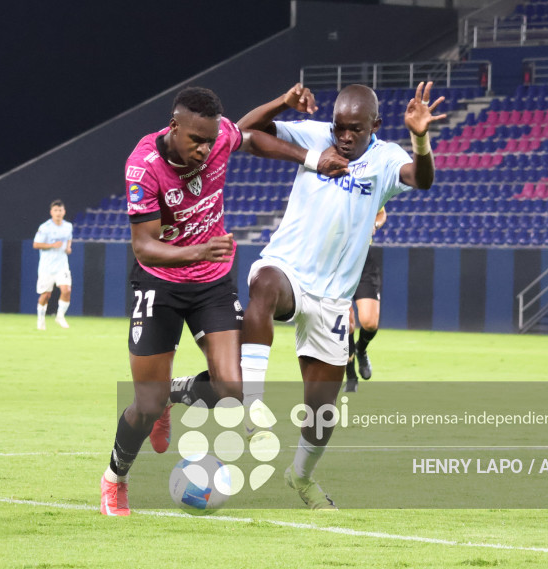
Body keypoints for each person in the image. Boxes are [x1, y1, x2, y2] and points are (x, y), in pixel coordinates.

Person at [100, 86, 348, 516]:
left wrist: (289, 121)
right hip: (159, 284)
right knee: (145, 404)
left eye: (211, 140)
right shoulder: (144, 166)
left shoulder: (216, 141)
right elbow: (143, 246)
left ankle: (177, 394)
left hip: (212, 284)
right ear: (174, 127)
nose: (205, 150)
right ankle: (115, 478)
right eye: (196, 140)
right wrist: (197, 249)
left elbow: (246, 131)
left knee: (235, 388)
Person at [237, 81, 445, 509]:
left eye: (355, 129)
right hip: (289, 270)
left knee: (321, 414)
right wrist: (283, 104)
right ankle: (251, 403)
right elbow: (242, 134)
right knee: (263, 284)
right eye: (339, 128)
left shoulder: (387, 158)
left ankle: (300, 477)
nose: (344, 137)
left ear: (376, 126)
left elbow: (421, 180)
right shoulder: (317, 135)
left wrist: (420, 138)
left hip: (333, 300)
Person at [345, 207, 386, 393]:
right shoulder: (328, 189)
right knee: (345, 325)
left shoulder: (365, 186)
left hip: (363, 265)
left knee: (369, 323)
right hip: (336, 266)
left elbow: (381, 213)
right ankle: (351, 378)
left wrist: (375, 224)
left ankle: (361, 350)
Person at [33, 199, 73, 330]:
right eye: (55, 210)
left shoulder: (68, 226)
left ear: (64, 212)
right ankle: (40, 319)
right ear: (51, 212)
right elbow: (36, 244)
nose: (58, 213)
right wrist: (52, 245)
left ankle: (60, 316)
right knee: (46, 295)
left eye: (60, 210)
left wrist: (68, 248)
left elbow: (69, 239)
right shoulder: (45, 227)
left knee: (66, 290)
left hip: (62, 265)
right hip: (46, 267)